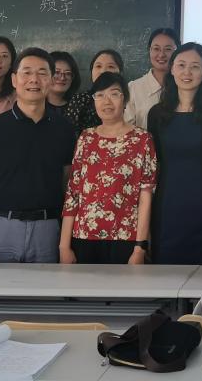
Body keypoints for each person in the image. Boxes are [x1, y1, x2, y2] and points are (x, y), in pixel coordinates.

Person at [0, 48, 76, 265]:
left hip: (47, 230)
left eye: (42, 73)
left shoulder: (64, 129)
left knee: (47, 288)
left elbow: (67, 185)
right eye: (27, 72)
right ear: (14, 80)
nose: (34, 79)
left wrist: (65, 241)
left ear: (51, 80)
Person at [147, 42, 202, 264]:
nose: (187, 72)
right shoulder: (157, 114)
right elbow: (154, 166)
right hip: (168, 208)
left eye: (195, 66)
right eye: (181, 65)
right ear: (172, 69)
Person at [60, 72, 156, 265]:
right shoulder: (86, 138)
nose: (107, 101)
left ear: (125, 99)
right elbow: (73, 192)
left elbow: (146, 196)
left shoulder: (142, 139)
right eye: (100, 95)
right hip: (84, 235)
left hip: (126, 237)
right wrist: (64, 246)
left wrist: (140, 246)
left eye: (114, 94)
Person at [126, 28, 179, 128]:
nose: (161, 54)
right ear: (149, 50)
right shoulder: (134, 88)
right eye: (156, 49)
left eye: (168, 49)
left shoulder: (184, 86)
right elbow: (126, 128)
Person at [64, 49, 124, 133]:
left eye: (110, 66)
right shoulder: (79, 100)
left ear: (120, 72)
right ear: (91, 71)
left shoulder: (128, 98)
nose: (103, 71)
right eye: (98, 66)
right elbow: (68, 133)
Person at [47, 51, 81, 117]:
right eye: (57, 72)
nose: (62, 78)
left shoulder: (79, 107)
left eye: (68, 73)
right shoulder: (34, 105)